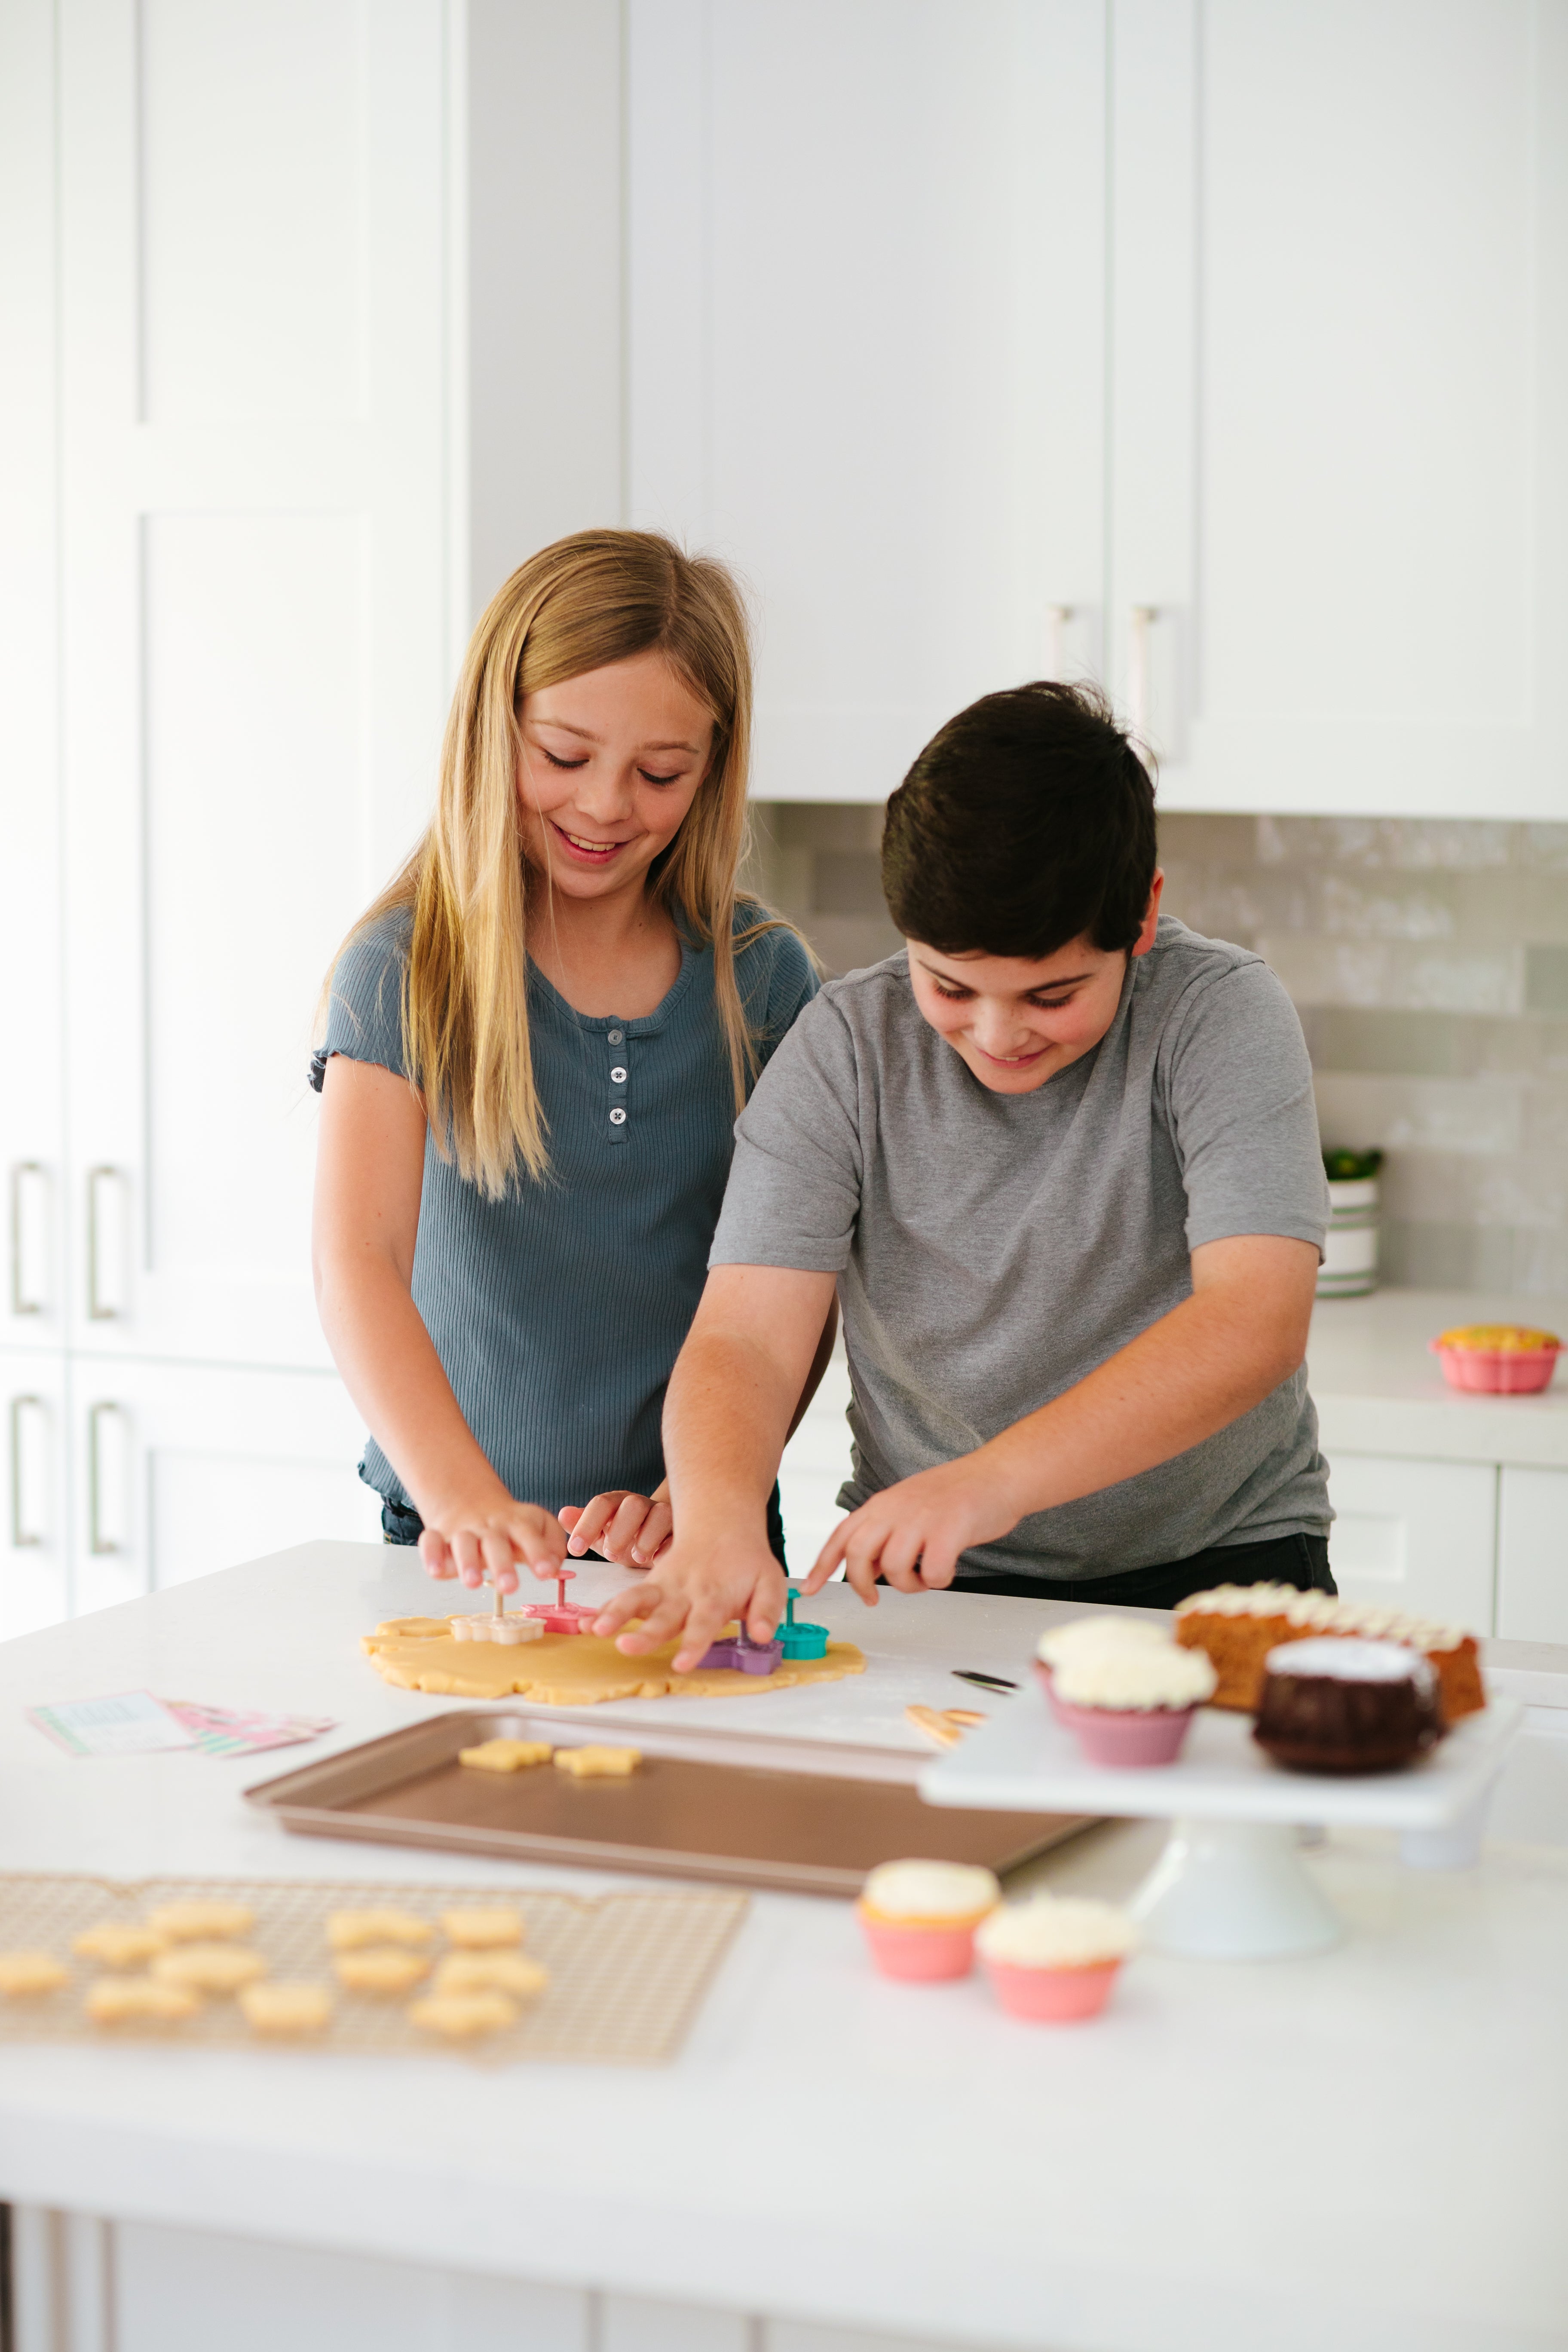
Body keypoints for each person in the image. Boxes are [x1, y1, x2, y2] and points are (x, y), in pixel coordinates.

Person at [594, 679, 1332, 1671]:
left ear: (1144, 916)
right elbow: (747, 1337)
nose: (997, 1033)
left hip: (1224, 1574)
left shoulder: (1219, 1017)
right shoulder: (847, 1047)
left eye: (1052, 992)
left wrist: (988, 1483)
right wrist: (721, 1521)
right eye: (949, 985)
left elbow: (1255, 1321)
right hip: (937, 1588)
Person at [311, 529, 827, 1602]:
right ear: (492, 731)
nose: (604, 805)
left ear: (714, 770)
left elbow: (795, 1292)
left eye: (660, 773)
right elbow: (357, 1261)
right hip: (450, 1536)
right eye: (563, 757)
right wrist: (461, 1501)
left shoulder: (764, 982)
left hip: (698, 1537)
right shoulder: (407, 968)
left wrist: (712, 1492)